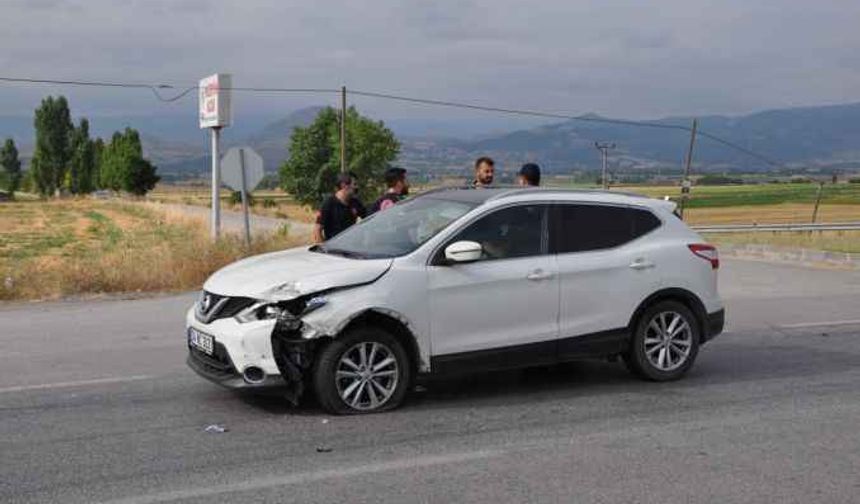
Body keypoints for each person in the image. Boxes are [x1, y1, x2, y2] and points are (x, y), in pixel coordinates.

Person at [313, 173, 367, 242]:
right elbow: (317, 230)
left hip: (351, 247)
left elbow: (369, 219)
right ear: (344, 185)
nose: (357, 187)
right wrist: (324, 249)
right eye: (354, 184)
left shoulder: (356, 203)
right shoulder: (329, 203)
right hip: (334, 249)